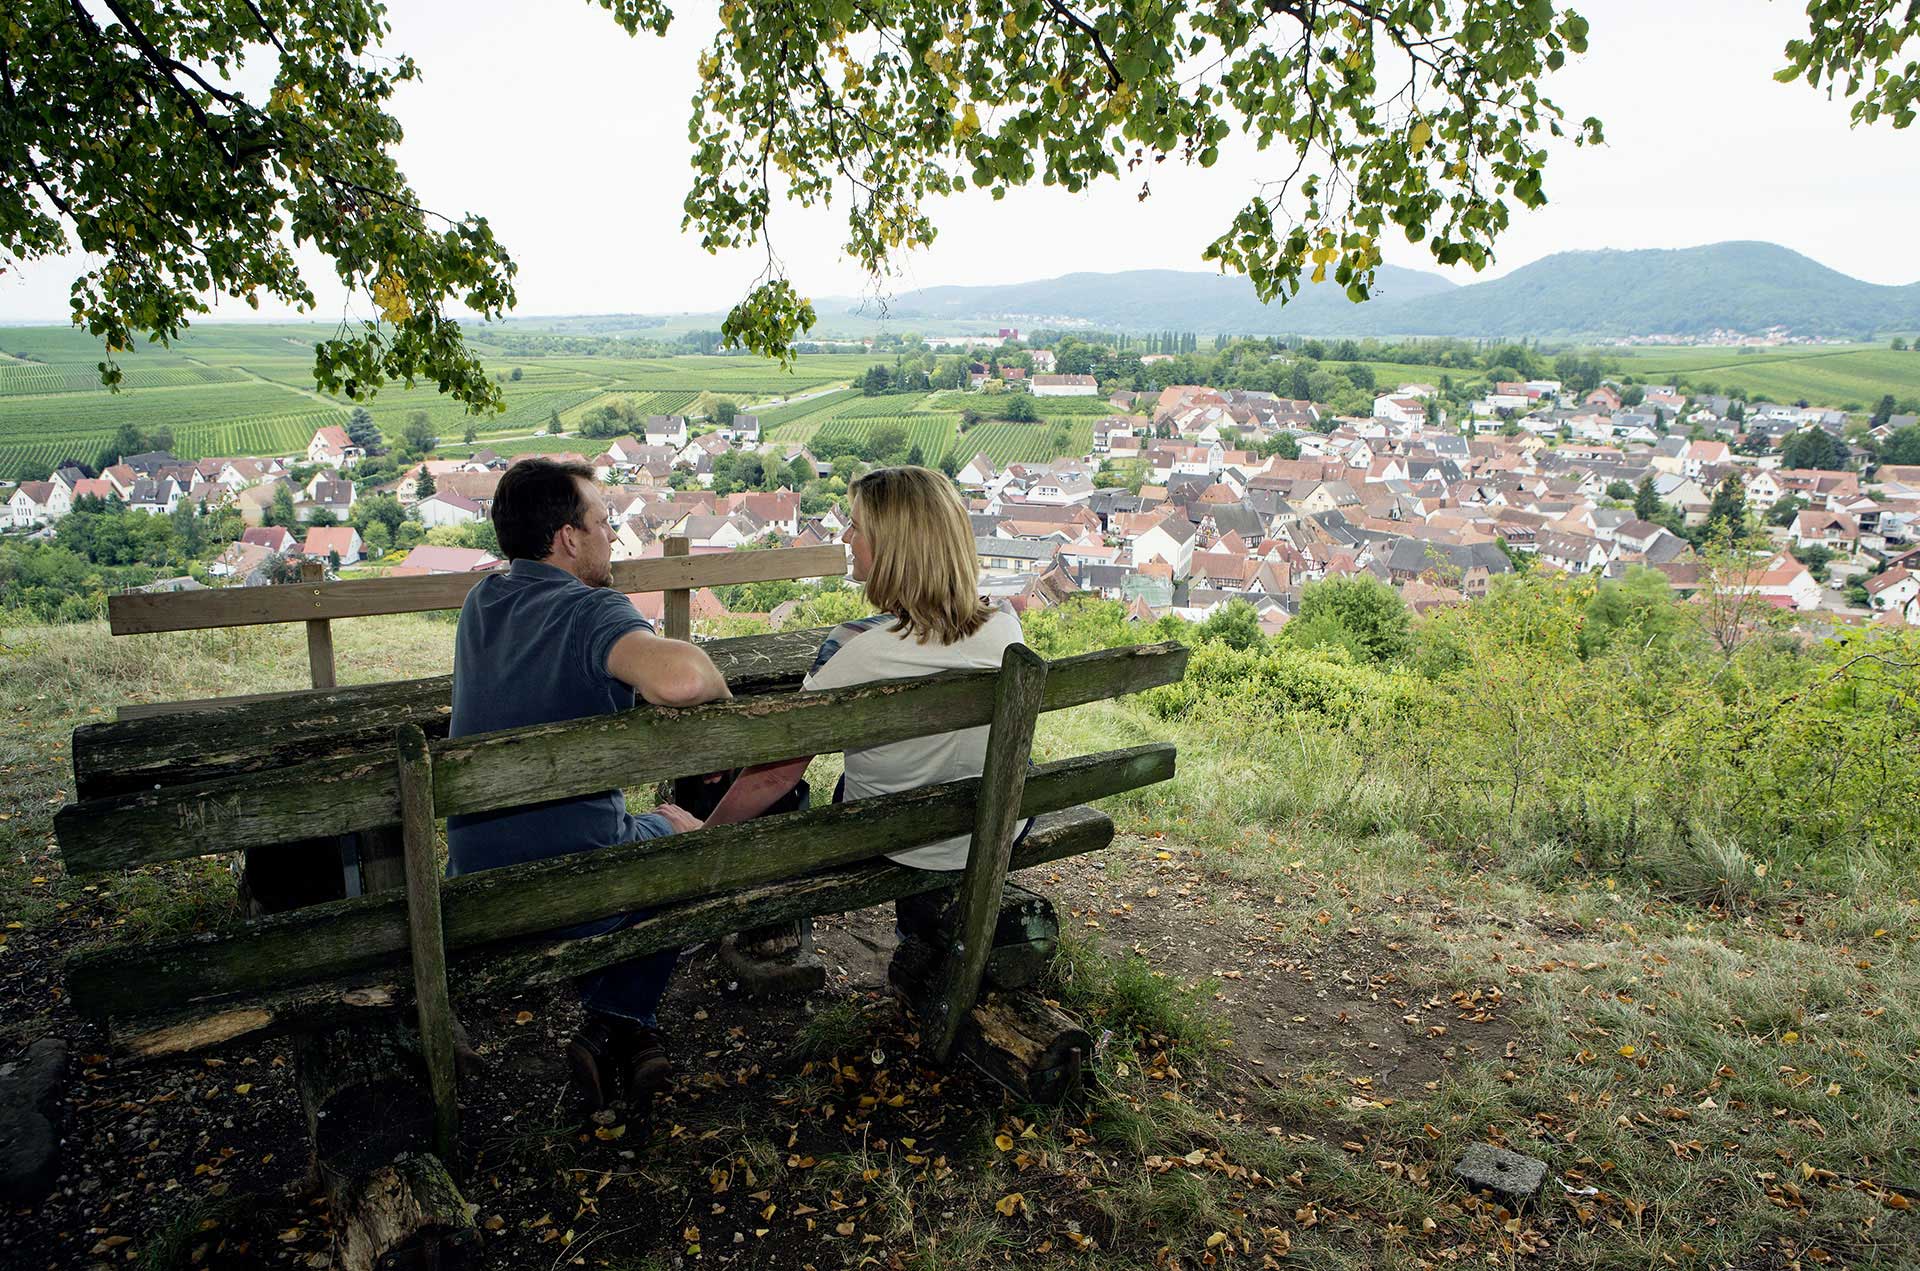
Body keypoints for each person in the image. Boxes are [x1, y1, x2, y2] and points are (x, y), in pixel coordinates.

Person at [447, 457, 731, 1111]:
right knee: (691, 838)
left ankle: (619, 1028)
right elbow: (682, 678)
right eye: (604, 521)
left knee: (644, 828)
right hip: (576, 886)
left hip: (478, 881)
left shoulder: (483, 601)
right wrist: (717, 703)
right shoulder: (591, 609)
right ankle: (618, 1019)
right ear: (569, 538)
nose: (614, 535)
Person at [703, 465, 1028, 885]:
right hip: (993, 825)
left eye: (855, 528)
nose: (844, 538)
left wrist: (703, 837)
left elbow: (776, 774)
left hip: (889, 836)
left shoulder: (853, 647)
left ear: (892, 547)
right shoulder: (1006, 626)